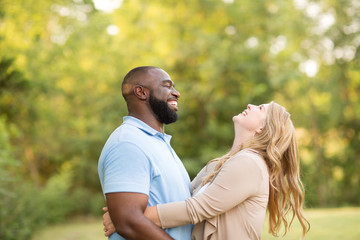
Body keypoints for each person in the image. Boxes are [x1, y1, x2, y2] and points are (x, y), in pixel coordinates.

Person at [103, 101, 310, 240]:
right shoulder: (219, 163)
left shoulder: (250, 163)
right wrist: (126, 211)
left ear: (263, 128)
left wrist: (127, 217)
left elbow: (196, 208)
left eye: (261, 108)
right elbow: (183, 194)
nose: (250, 105)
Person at [98, 66, 193, 240]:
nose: (177, 93)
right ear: (141, 92)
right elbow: (128, 222)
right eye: (167, 86)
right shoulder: (128, 144)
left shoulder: (156, 142)